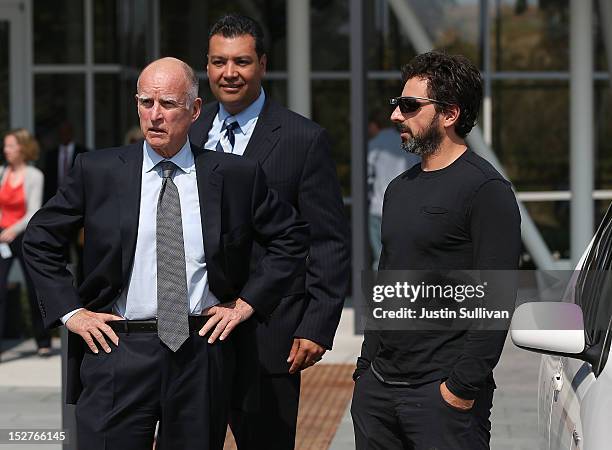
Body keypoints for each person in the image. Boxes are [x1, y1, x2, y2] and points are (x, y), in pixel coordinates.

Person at [22, 57, 309, 450]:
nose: (154, 115)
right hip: (117, 349)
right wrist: (72, 312)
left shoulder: (234, 175)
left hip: (199, 352)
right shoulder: (98, 170)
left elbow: (291, 237)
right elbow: (39, 238)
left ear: (193, 110)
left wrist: (246, 305)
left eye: (167, 104)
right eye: (145, 103)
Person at [189, 13, 349, 450]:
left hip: (270, 335)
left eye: (241, 61)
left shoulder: (303, 139)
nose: (229, 73)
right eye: (219, 62)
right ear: (207, 66)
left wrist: (318, 324)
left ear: (262, 63)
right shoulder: (190, 133)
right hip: (195, 336)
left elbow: (328, 240)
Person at [351, 52, 521, 450]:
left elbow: (496, 300)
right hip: (380, 391)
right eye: (397, 104)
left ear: (449, 114)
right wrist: (365, 369)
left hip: (441, 400)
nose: (396, 115)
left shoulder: (486, 190)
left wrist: (459, 388)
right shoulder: (399, 189)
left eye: (409, 106)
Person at [0, 129, 50, 359]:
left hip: (23, 235)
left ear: (22, 148)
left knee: (34, 288)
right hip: (3, 237)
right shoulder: (1, 173)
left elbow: (33, 211)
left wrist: (13, 230)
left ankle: (43, 340)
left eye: (10, 145)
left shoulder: (34, 175)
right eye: (5, 146)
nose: (6, 150)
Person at [367, 110, 420, 269]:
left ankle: (381, 293)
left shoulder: (375, 144)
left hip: (378, 208)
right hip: (406, 209)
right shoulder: (410, 142)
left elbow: (366, 175)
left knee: (380, 260)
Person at [42, 122, 88, 203]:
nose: (64, 135)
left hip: (77, 196)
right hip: (55, 197)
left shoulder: (82, 152)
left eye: (67, 132)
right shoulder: (51, 154)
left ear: (72, 133)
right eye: (61, 132)